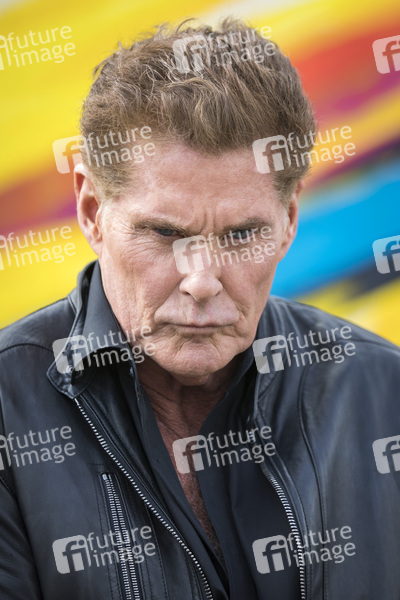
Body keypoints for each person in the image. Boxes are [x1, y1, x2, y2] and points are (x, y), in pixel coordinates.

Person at [0, 18, 399, 600]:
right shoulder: (6, 408)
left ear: (289, 220)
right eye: (165, 233)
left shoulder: (384, 391)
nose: (202, 282)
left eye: (242, 234)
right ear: (91, 211)